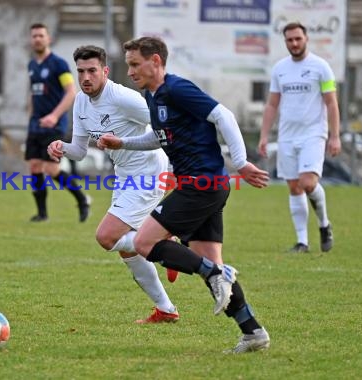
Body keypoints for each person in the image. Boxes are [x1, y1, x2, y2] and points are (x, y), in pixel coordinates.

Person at [98, 36, 271, 353]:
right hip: (206, 187)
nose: (131, 71)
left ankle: (216, 274)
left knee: (143, 242)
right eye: (129, 65)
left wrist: (242, 161)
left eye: (136, 64)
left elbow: (224, 116)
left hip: (200, 185)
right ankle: (252, 332)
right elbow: (158, 137)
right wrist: (123, 143)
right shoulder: (153, 96)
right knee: (209, 263)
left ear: (156, 62)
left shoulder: (177, 89)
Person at [47, 45, 180, 323]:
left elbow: (165, 127)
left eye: (92, 71)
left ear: (105, 71)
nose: (85, 77)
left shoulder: (122, 97)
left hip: (148, 172)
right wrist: (62, 147)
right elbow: (80, 151)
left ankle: (165, 240)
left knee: (106, 236)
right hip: (124, 174)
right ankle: (166, 309)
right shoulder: (81, 102)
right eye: (81, 71)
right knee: (125, 247)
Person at [258, 22, 341, 253]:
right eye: (290, 40)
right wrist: (264, 136)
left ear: (306, 39)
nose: (294, 43)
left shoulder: (321, 67)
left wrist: (335, 136)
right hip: (286, 136)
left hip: (314, 134)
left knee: (308, 183)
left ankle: (324, 224)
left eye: (298, 39)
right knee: (294, 188)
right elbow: (272, 104)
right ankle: (302, 242)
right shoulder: (280, 69)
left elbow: (331, 103)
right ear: (285, 42)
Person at [26, 23, 90, 222]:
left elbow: (71, 92)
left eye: (41, 35)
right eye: (34, 36)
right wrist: (31, 115)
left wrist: (54, 116)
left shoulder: (59, 64)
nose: (37, 39)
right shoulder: (31, 65)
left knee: (51, 169)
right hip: (35, 124)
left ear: (48, 39)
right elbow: (33, 93)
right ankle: (42, 214)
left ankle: (82, 199)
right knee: (35, 167)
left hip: (54, 125)